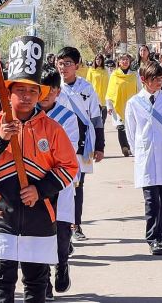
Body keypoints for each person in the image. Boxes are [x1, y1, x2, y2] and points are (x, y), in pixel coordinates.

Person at [0, 36, 77, 303]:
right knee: (2, 280)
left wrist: (39, 190)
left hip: (39, 214)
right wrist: (0, 140)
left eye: (33, 91)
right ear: (9, 92)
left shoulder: (52, 129)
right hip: (1, 215)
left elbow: (69, 167)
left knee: (36, 282)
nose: (28, 97)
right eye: (21, 91)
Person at [125, 62, 162, 255]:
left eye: (160, 78)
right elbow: (131, 133)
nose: (158, 82)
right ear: (143, 80)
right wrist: (140, 152)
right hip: (146, 158)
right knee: (151, 201)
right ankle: (153, 238)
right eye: (154, 79)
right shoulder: (134, 103)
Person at [56, 46, 105, 242]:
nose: (63, 67)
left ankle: (75, 225)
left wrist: (100, 146)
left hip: (82, 144)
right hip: (58, 144)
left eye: (68, 63)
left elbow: (96, 117)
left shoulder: (86, 88)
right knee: (58, 185)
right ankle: (59, 228)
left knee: (77, 186)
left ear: (77, 66)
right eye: (60, 63)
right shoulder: (53, 87)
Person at [39, 69, 80, 299]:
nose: (45, 95)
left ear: (57, 92)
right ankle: (43, 280)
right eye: (41, 90)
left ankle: (62, 264)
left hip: (60, 181)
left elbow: (70, 150)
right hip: (36, 184)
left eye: (51, 90)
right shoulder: (28, 116)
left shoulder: (67, 117)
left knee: (61, 233)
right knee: (39, 234)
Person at [105, 53, 139, 157]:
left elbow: (139, 89)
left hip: (132, 105)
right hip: (118, 105)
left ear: (130, 62)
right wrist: (109, 105)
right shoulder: (114, 75)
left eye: (127, 60)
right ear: (119, 62)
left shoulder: (134, 75)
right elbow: (110, 91)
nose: (125, 62)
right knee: (120, 127)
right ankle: (124, 147)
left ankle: (131, 147)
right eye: (122, 60)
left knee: (131, 127)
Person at [86, 54, 109, 124]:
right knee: (95, 117)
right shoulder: (91, 70)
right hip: (95, 96)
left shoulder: (105, 70)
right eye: (97, 59)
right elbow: (87, 83)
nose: (98, 61)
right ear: (95, 60)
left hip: (104, 97)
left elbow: (109, 82)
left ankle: (102, 129)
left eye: (100, 59)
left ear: (102, 61)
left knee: (103, 117)